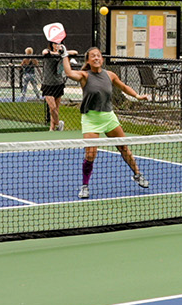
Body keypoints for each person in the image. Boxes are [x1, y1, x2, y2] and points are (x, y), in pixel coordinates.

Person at [64, 46, 150, 198]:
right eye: (93, 56)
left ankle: (137, 174)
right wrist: (64, 55)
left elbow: (123, 87)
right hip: (91, 119)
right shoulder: (84, 76)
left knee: (123, 147)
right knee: (90, 155)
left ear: (102, 59)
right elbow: (69, 73)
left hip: (109, 117)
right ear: (88, 61)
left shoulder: (110, 75)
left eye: (98, 55)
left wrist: (137, 96)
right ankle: (85, 186)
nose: (96, 58)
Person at [36, 37, 71, 131]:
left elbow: (75, 52)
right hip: (47, 84)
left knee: (56, 108)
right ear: (51, 44)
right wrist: (57, 53)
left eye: (59, 43)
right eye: (55, 43)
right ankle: (59, 123)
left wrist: (63, 52)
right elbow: (44, 52)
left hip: (58, 83)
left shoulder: (63, 54)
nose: (57, 45)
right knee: (52, 107)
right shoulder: (48, 52)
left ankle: (52, 128)